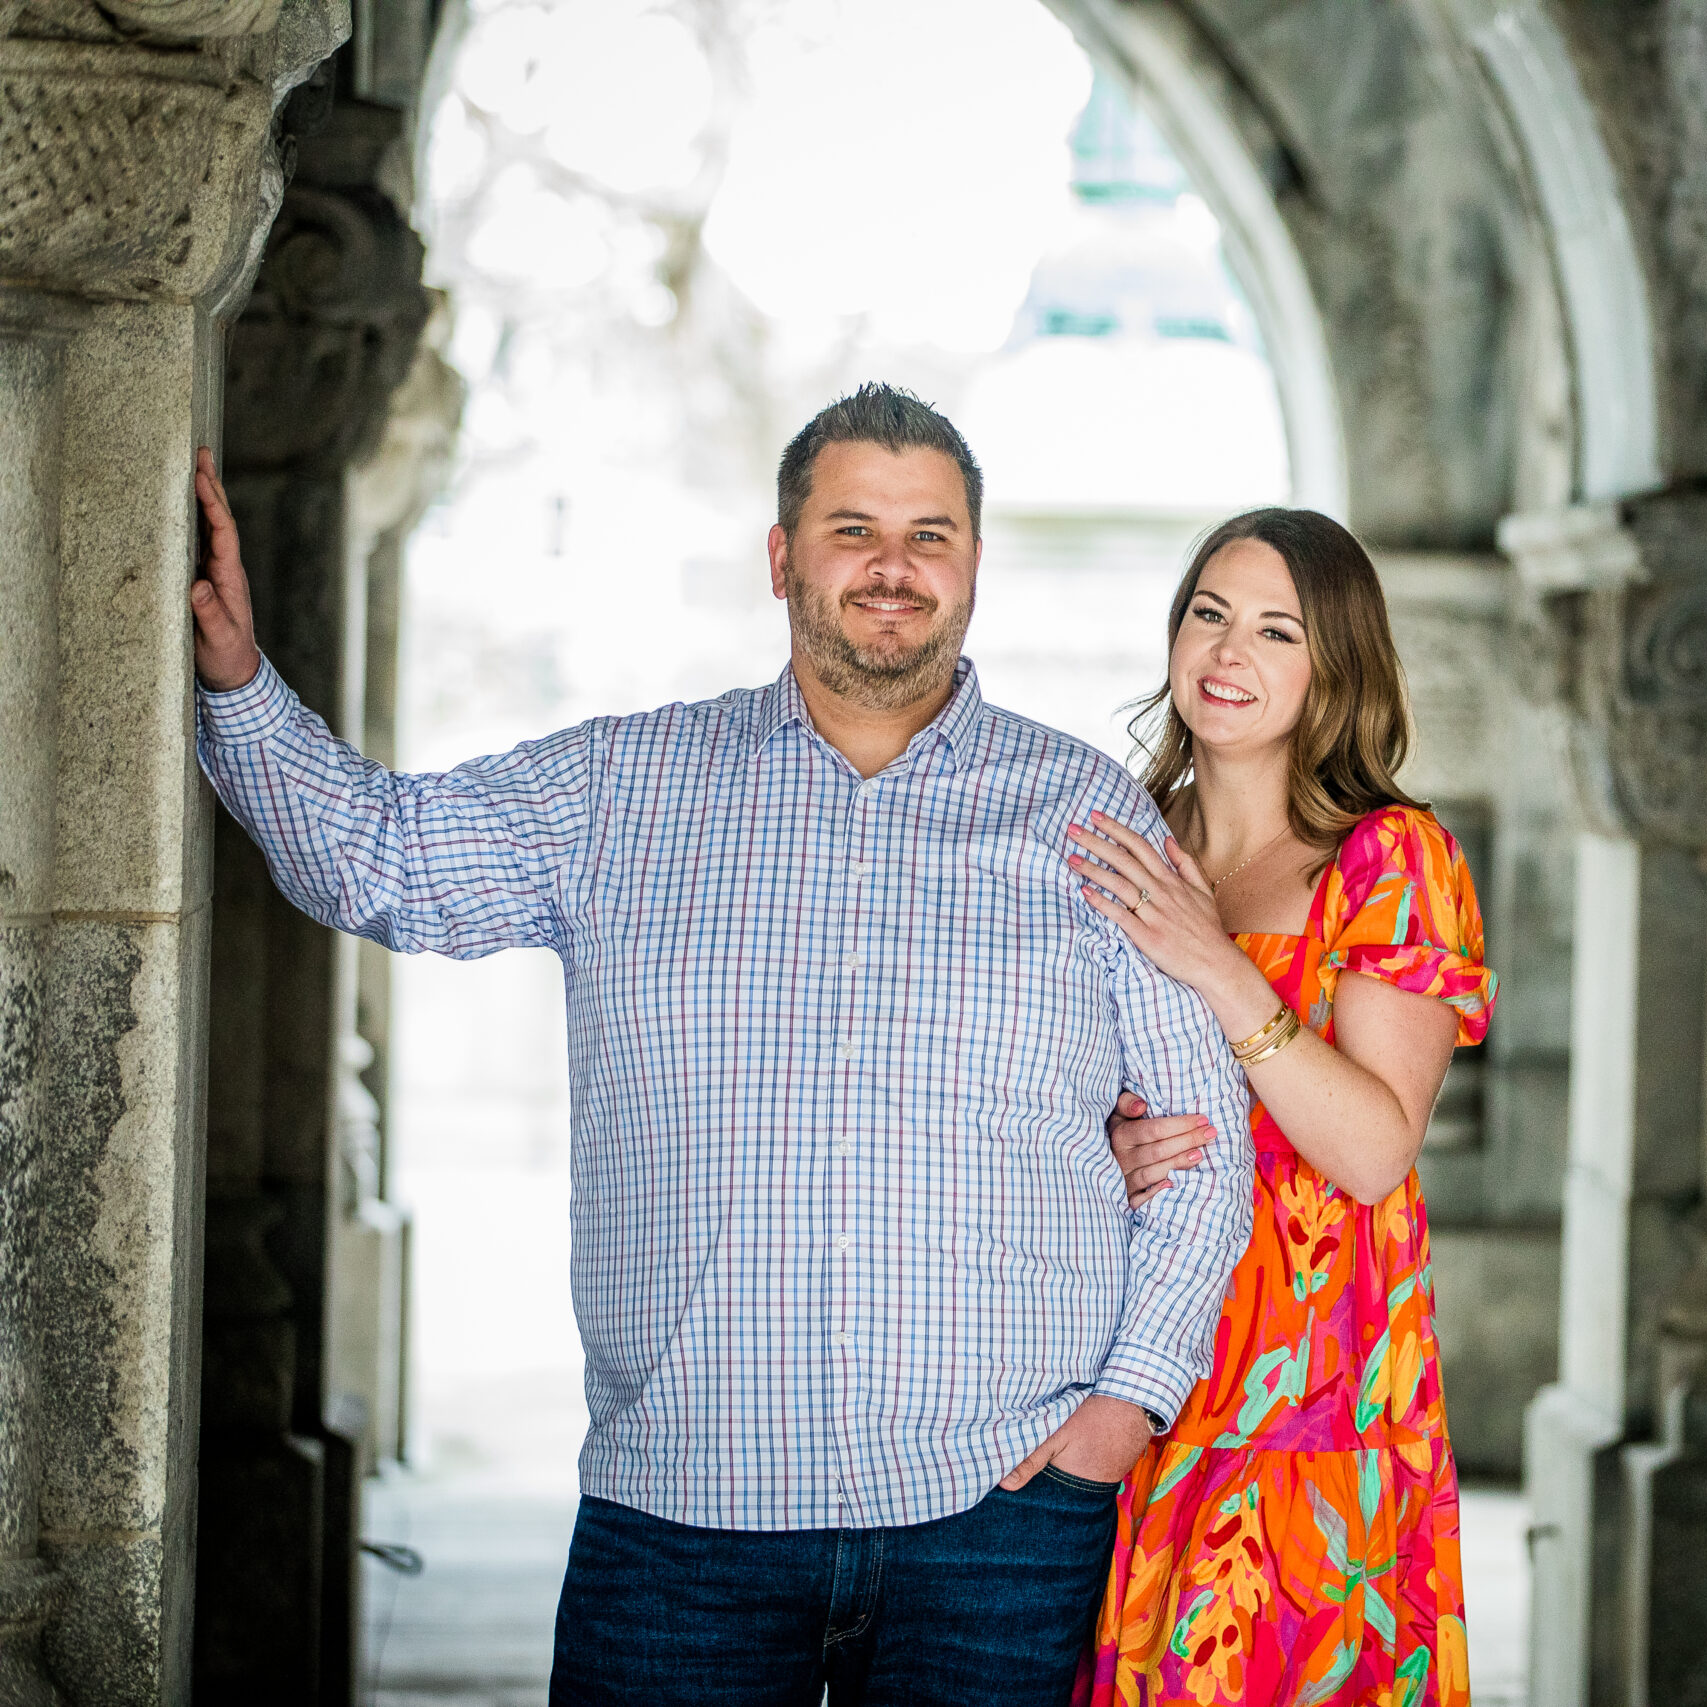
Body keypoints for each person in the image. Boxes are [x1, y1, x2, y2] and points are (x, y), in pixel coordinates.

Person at [185, 384, 1254, 1706]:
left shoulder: (1085, 810)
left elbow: (1208, 1148)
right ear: (780, 554)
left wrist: (1121, 1414)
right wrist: (235, 675)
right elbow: (380, 856)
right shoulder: (620, 789)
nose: (892, 568)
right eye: (852, 526)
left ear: (975, 562)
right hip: (682, 1522)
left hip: (997, 1520)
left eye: (931, 535)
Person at [1065, 509, 1496, 1705]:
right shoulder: (1120, 843)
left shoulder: (1388, 859)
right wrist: (1100, 1142)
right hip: (1120, 1374)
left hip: (1310, 1404)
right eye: (1208, 613)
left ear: (1333, 668)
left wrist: (1217, 960)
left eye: (1274, 629)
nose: (1226, 651)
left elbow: (1370, 1150)